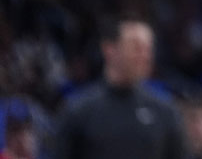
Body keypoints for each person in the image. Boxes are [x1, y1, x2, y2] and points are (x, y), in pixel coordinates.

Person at [53, 16, 186, 159]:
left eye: (148, 49)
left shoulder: (165, 111)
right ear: (109, 49)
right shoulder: (78, 111)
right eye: (136, 47)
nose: (145, 56)